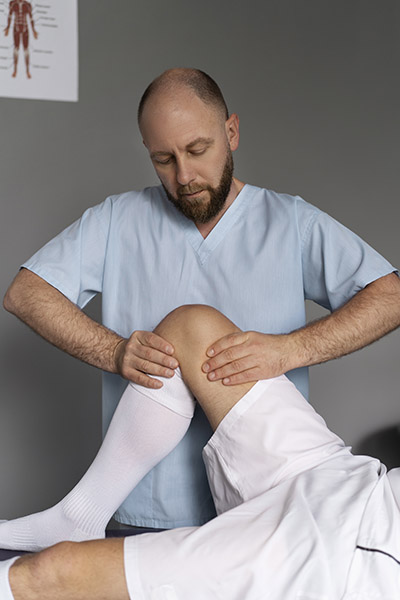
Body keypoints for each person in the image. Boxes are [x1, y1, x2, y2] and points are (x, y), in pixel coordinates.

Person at [3, 68, 400, 532]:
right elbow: (25, 293)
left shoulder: (291, 223)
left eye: (197, 150)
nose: (184, 175)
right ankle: (79, 516)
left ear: (231, 132)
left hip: (260, 513)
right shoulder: (118, 220)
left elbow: (390, 297)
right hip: (142, 512)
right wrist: (112, 350)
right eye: (163, 159)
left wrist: (290, 350)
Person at [1, 304, 400, 600]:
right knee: (190, 329)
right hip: (352, 482)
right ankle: (80, 515)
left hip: (344, 559)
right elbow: (22, 294)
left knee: (55, 573)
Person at [4, 0, 38, 79]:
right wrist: (8, 28)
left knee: (26, 49)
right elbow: (9, 15)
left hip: (25, 28)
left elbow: (31, 17)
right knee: (16, 48)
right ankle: (15, 69)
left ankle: (27, 71)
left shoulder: (27, 5)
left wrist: (33, 30)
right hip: (16, 28)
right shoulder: (13, 4)